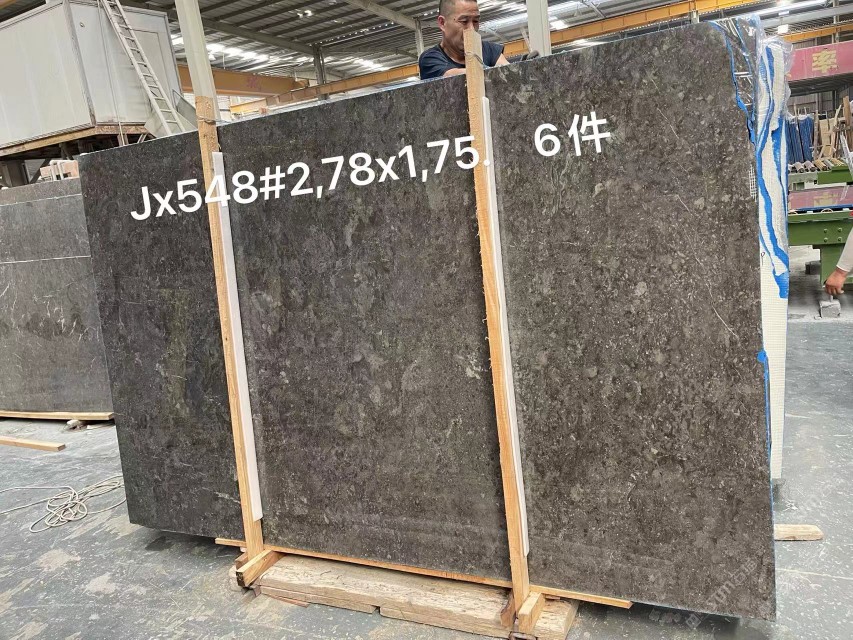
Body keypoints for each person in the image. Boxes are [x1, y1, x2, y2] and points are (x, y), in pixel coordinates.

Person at [418, 0, 509, 80]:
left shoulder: (489, 50)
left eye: (475, 21)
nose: (472, 29)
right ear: (442, 23)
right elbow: (454, 78)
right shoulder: (430, 59)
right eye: (464, 21)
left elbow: (509, 73)